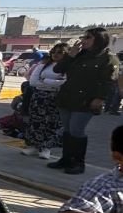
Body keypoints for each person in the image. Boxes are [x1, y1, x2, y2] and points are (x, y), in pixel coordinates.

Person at [49, 27, 120, 174]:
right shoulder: (79, 55)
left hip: (86, 100)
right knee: (68, 130)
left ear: (99, 39)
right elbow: (58, 70)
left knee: (77, 130)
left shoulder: (107, 58)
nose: (83, 40)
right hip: (67, 98)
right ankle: (66, 159)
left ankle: (78, 163)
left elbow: (108, 81)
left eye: (88, 37)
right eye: (84, 37)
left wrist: (100, 98)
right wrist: (70, 56)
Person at [21, 43, 68, 160]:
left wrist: (46, 81)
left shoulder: (67, 67)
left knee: (52, 122)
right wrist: (53, 82)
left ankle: (46, 148)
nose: (56, 55)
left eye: (60, 52)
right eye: (54, 52)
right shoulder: (43, 65)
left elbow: (64, 83)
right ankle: (34, 146)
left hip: (55, 98)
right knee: (36, 121)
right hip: (39, 97)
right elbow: (33, 81)